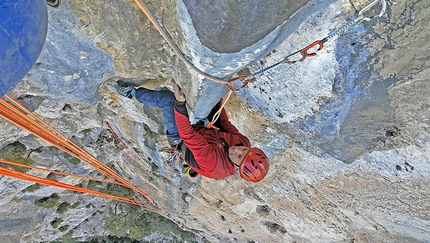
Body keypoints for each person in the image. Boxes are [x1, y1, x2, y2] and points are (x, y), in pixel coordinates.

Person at [116, 79, 269, 182]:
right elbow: (223, 122)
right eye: (243, 149)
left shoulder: (214, 164)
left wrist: (180, 103)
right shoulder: (243, 142)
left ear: (236, 167)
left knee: (168, 100)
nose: (237, 149)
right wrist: (217, 96)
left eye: (238, 157)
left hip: (183, 141)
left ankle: (133, 93)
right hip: (205, 132)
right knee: (208, 95)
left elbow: (187, 135)